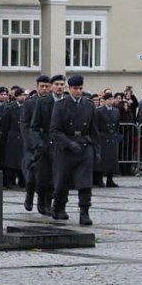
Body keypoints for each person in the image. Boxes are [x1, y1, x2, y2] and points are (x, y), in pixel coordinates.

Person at [49, 75, 100, 225]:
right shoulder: (61, 105)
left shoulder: (89, 105)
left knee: (85, 183)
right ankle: (58, 206)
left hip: (84, 146)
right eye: (75, 89)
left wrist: (97, 150)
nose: (78, 91)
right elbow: (55, 130)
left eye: (80, 88)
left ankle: (84, 212)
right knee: (61, 182)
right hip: (66, 148)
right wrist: (69, 144)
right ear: (69, 89)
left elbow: (94, 130)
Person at [30, 74, 65, 215]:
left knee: (57, 176)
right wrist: (39, 143)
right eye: (56, 84)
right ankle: (41, 202)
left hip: (60, 144)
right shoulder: (43, 102)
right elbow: (34, 126)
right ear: (51, 86)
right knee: (43, 175)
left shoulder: (66, 102)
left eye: (62, 84)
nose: (59, 87)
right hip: (45, 142)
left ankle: (51, 203)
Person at [21, 76, 50, 213]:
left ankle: (42, 202)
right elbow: (25, 125)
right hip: (32, 144)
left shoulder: (52, 102)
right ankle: (29, 195)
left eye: (46, 86)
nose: (44, 89)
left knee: (45, 175)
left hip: (46, 142)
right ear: (37, 86)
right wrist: (32, 143)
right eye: (42, 86)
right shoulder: (30, 103)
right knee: (32, 174)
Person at [94, 93, 120, 187]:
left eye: (111, 99)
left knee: (111, 160)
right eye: (108, 99)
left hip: (112, 137)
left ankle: (110, 179)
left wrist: (114, 134)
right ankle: (99, 180)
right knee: (102, 160)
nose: (110, 101)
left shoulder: (116, 111)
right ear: (104, 101)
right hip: (102, 137)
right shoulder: (99, 111)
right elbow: (96, 125)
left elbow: (117, 124)